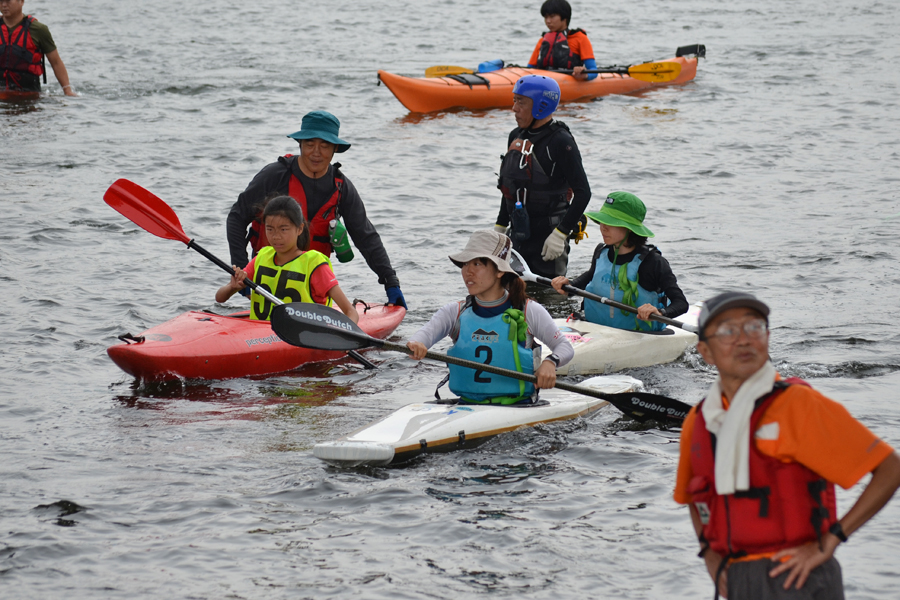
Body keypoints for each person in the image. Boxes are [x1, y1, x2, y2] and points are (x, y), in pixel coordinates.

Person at [673, 291, 900, 599]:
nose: (743, 340)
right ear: (705, 352)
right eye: (728, 331)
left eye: (754, 327)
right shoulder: (700, 419)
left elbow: (890, 469)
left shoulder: (798, 404)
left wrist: (830, 540)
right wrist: (709, 556)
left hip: (799, 578)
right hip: (737, 579)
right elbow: (695, 497)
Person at [226, 110, 406, 308]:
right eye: (310, 144)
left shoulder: (342, 187)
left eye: (325, 145)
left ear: (335, 148)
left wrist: (390, 282)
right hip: (266, 281)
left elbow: (366, 236)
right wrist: (241, 268)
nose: (316, 152)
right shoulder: (274, 176)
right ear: (300, 144)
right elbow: (236, 217)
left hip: (312, 287)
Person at [406, 230, 573, 404]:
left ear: (500, 271)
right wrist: (416, 345)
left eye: (477, 264)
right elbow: (423, 336)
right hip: (467, 404)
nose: (468, 272)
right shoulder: (454, 312)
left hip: (519, 407)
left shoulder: (529, 311)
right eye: (465, 264)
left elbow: (564, 347)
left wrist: (550, 362)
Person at [494, 74, 591, 279]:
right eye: (514, 100)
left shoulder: (561, 141)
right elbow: (510, 188)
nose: (514, 108)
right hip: (518, 234)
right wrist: (500, 227)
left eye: (521, 102)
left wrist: (560, 234)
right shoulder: (516, 136)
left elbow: (583, 193)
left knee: (549, 301)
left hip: (549, 239)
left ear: (541, 105)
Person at [550, 191, 687, 331]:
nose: (603, 227)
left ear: (630, 228)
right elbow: (591, 276)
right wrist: (569, 286)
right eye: (602, 221)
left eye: (611, 222)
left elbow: (681, 303)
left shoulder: (653, 262)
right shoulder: (601, 252)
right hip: (596, 328)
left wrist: (660, 313)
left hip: (640, 334)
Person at [217, 195, 359, 324]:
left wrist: (346, 337)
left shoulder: (314, 264)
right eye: (270, 229)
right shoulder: (261, 257)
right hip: (259, 336)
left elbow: (350, 312)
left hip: (300, 336)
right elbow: (220, 298)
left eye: (283, 229)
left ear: (299, 229)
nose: (276, 236)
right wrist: (232, 287)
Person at [0, 0, 76, 96]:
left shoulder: (38, 30)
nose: (3, 5)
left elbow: (56, 62)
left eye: (8, 1)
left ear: (21, 2)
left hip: (29, 94)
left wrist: (67, 90)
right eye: (1, 1)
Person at [527, 0, 598, 81]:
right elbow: (530, 68)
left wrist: (584, 75)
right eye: (546, 17)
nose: (548, 21)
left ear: (564, 18)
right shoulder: (543, 40)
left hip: (568, 81)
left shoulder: (580, 38)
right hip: (544, 79)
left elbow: (593, 70)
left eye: (552, 16)